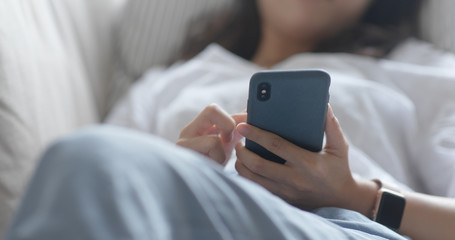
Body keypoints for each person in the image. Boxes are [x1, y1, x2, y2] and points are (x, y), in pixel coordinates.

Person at [5, 0, 455, 239]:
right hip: (183, 224)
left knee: (85, 156)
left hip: (348, 228)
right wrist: (176, 172)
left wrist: (358, 196)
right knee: (88, 164)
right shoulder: (167, 85)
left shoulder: (422, 71)